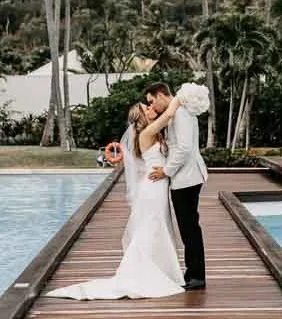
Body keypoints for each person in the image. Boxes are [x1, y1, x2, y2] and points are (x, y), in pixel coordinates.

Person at [46, 95, 185, 300]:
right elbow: (170, 113)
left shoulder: (155, 132)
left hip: (158, 185)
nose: (150, 108)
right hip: (153, 187)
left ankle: (162, 269)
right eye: (146, 109)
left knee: (159, 227)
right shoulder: (147, 133)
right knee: (152, 227)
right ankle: (143, 271)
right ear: (141, 118)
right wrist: (182, 96)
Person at [145, 82, 207, 291]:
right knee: (187, 228)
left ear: (162, 95)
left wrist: (166, 171)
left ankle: (197, 276)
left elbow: (184, 148)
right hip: (183, 178)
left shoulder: (180, 113)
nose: (152, 107)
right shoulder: (175, 114)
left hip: (186, 178)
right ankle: (192, 272)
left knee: (189, 228)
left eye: (152, 101)